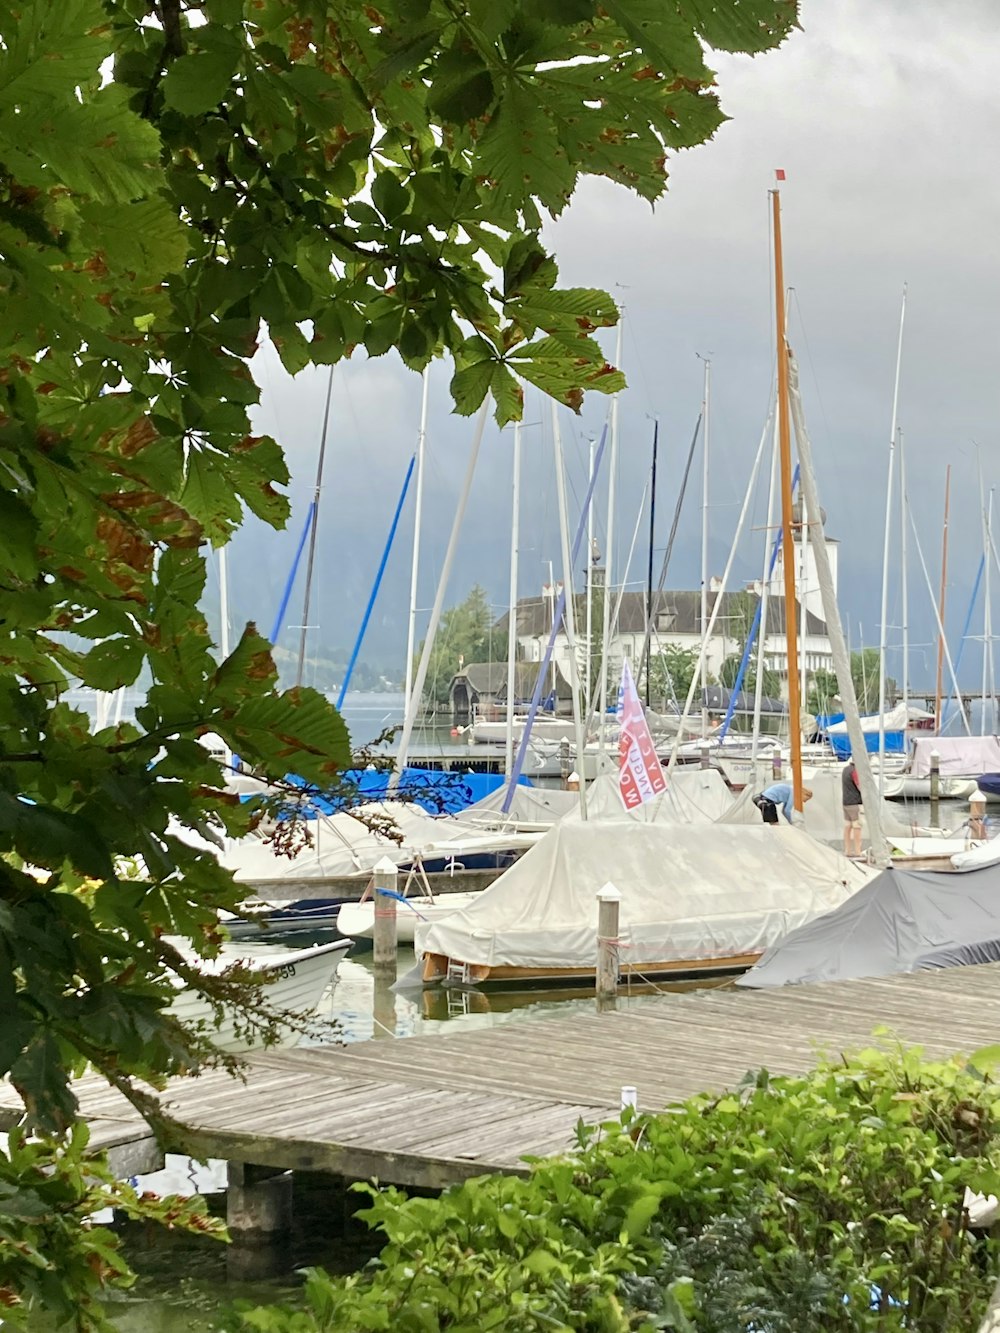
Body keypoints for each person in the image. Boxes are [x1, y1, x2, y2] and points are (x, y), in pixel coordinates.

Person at [841, 758, 863, 857]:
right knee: (857, 827)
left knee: (847, 826)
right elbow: (860, 786)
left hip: (845, 802)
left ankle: (847, 850)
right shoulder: (855, 771)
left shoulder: (845, 769)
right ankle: (858, 851)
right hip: (855, 803)